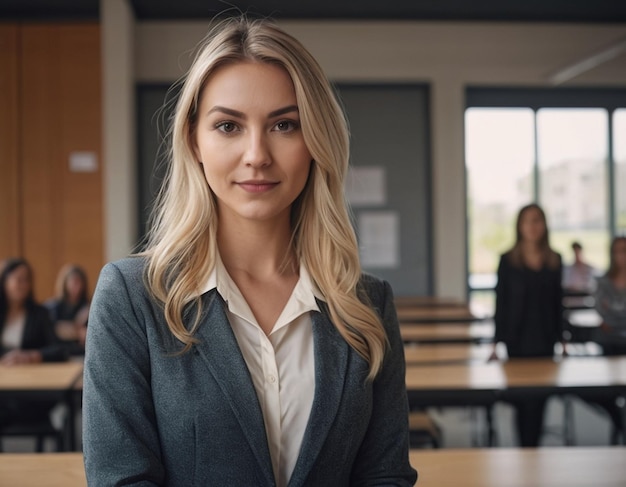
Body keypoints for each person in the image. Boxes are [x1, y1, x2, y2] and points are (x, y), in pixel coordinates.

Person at [83, 16, 417, 487]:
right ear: (194, 140)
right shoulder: (131, 298)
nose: (257, 154)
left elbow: (386, 476)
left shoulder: (367, 305)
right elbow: (121, 478)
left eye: (284, 124)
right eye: (228, 126)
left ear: (316, 142)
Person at [489, 203, 564, 447]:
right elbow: (501, 302)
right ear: (520, 226)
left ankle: (533, 447)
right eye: (527, 221)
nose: (532, 227)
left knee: (540, 397)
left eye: (537, 221)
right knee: (521, 398)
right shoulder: (508, 260)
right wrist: (495, 341)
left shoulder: (554, 260)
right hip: (517, 339)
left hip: (545, 338)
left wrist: (563, 338)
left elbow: (557, 302)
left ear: (544, 226)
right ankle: (524, 447)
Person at [0, 258, 67, 428]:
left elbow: (59, 350)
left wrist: (31, 356)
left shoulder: (40, 314)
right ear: (5, 282)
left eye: (27, 280)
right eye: (18, 279)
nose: (23, 285)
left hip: (32, 391)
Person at [45, 264, 90, 353]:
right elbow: (55, 330)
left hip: (80, 351)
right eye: (73, 282)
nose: (76, 286)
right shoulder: (53, 307)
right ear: (65, 283)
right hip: (58, 352)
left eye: (79, 282)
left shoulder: (88, 307)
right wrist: (77, 331)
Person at [593, 236, 626, 355]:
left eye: (624, 250)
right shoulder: (603, 283)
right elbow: (602, 311)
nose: (621, 255)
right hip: (609, 341)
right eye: (617, 251)